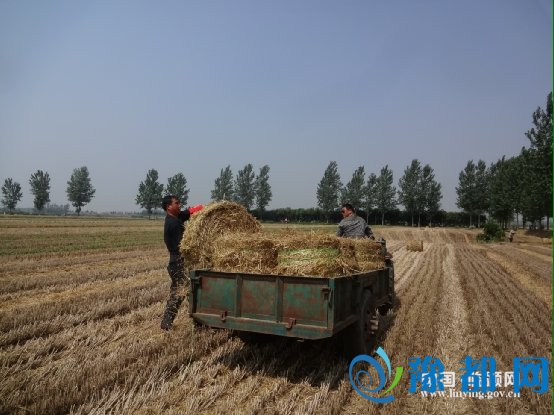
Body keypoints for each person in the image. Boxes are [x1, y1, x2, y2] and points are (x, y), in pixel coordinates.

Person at [160, 195, 204, 331]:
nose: (179, 205)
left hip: (179, 261)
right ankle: (166, 324)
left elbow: (185, 214)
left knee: (190, 292)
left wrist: (198, 209)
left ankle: (199, 321)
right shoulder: (172, 224)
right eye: (177, 203)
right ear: (169, 207)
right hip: (178, 262)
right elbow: (184, 246)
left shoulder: (176, 217)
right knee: (179, 294)